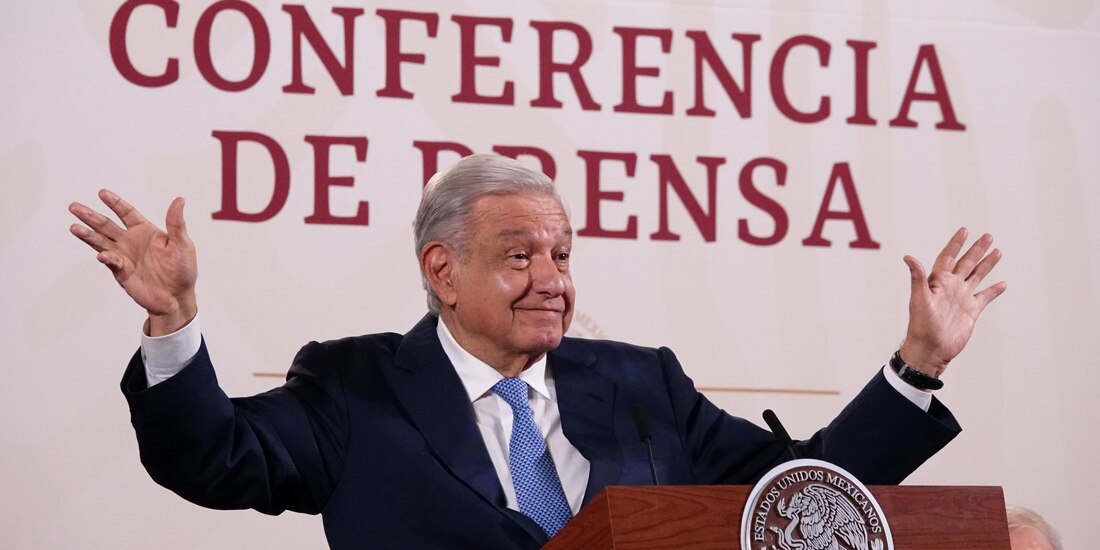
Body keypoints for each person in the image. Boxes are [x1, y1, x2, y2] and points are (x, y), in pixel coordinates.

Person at [68, 154, 1006, 549]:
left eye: (562, 253)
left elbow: (797, 503)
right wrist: (176, 317)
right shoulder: (353, 387)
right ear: (442, 268)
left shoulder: (645, 384)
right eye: (520, 257)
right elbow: (211, 455)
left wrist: (916, 365)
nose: (553, 278)